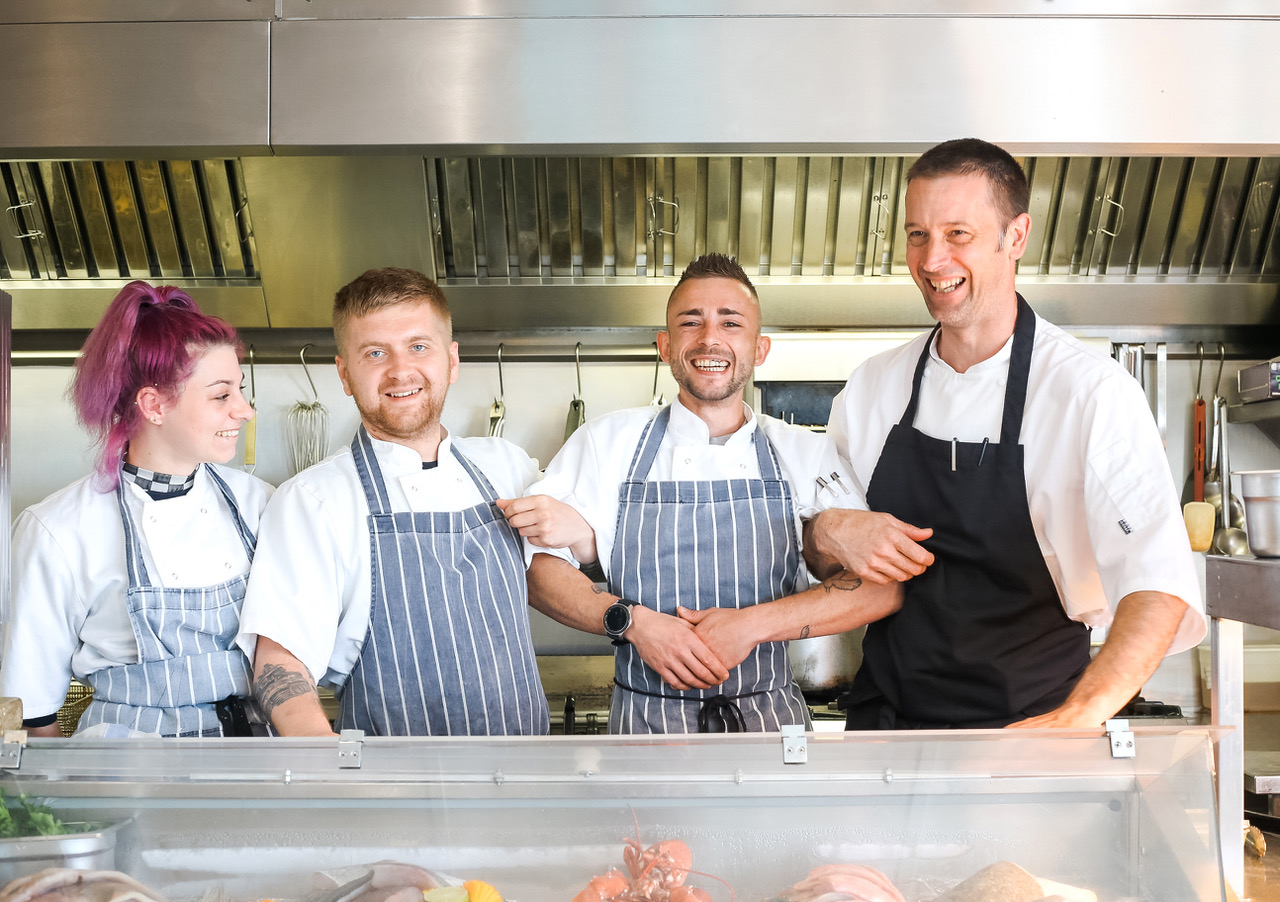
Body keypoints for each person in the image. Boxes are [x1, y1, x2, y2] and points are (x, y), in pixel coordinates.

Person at [806, 138, 1206, 730]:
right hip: (887, 732)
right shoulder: (874, 388)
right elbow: (826, 562)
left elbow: (1158, 582)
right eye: (918, 235)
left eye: (957, 234)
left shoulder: (1089, 393)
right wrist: (826, 530)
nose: (932, 259)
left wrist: (1080, 716)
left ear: (1016, 237)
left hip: (1028, 733)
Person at [524, 253, 902, 734]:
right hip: (646, 730)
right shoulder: (607, 443)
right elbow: (536, 566)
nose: (710, 339)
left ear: (760, 348)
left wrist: (751, 626)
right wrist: (632, 622)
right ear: (664, 345)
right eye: (691, 321)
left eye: (731, 322)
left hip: (770, 729)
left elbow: (883, 587)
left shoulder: (804, 454)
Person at [236, 267, 583, 737]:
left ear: (451, 360)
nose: (401, 370)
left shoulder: (507, 466)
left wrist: (590, 546)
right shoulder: (313, 500)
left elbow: (557, 571)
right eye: (375, 353)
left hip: (522, 772)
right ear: (344, 373)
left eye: (418, 347)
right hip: (390, 788)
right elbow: (280, 660)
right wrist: (324, 763)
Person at [0, 281, 271, 737]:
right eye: (221, 395)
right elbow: (33, 714)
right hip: (129, 776)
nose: (244, 411)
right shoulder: (58, 530)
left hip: (254, 761)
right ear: (153, 405)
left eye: (239, 390)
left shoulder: (259, 504)